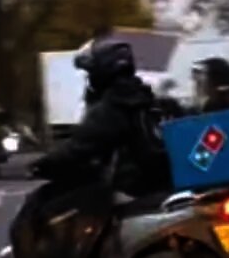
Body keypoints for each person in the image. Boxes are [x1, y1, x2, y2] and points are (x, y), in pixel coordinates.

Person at [32, 38, 171, 198]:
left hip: (130, 189)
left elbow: (79, 148)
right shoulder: (147, 97)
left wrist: (41, 165)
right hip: (161, 184)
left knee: (45, 200)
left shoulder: (112, 107)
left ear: (101, 72)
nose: (88, 79)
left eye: (89, 73)